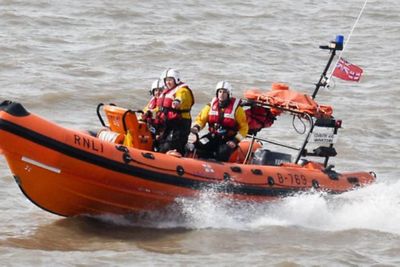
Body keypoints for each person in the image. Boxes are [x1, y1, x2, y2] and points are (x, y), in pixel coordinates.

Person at [191, 81, 248, 162]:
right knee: (198, 145)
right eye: (220, 91)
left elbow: (244, 129)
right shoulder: (210, 106)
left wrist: (235, 141)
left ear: (229, 94)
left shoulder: (237, 109)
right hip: (213, 136)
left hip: (228, 139)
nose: (221, 94)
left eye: (224, 92)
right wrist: (196, 127)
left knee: (222, 152)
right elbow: (201, 120)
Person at [156, 68, 195, 155]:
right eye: (166, 80)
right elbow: (159, 107)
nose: (167, 82)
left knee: (171, 145)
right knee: (161, 144)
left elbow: (181, 97)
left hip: (180, 124)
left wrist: (177, 101)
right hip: (169, 123)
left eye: (170, 80)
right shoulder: (166, 92)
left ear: (176, 79)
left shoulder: (183, 90)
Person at [141, 79, 164, 150]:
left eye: (160, 90)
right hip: (151, 127)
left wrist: (149, 113)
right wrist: (142, 117)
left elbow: (159, 112)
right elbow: (145, 110)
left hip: (160, 128)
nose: (158, 92)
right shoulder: (152, 101)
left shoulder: (165, 102)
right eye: (156, 90)